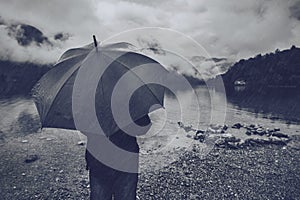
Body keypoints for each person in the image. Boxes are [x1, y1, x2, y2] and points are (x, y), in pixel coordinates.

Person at [85, 115, 151, 200]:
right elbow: (144, 127)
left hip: (113, 161)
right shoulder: (129, 103)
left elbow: (143, 126)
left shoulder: (91, 104)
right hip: (112, 161)